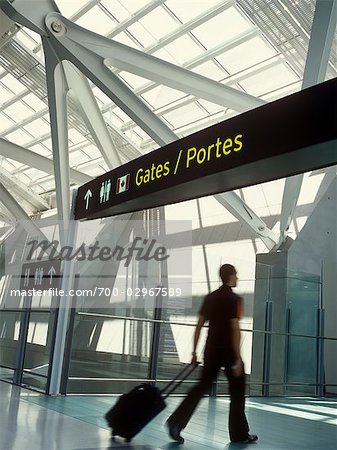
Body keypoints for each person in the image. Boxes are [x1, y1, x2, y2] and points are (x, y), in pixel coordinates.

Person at [166, 264, 258, 444]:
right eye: (236, 275)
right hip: (229, 352)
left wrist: (194, 352)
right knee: (237, 390)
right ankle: (239, 434)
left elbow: (199, 325)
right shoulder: (235, 299)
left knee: (201, 387)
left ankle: (176, 422)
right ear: (230, 277)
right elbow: (234, 328)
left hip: (211, 350)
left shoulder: (210, 297)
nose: (237, 278)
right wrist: (238, 358)